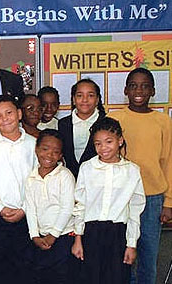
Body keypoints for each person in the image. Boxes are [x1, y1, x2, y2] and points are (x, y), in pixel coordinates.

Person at [108, 68, 172, 284]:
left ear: (153, 91)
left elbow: (168, 161)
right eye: (133, 85)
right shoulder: (115, 118)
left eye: (145, 86)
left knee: (148, 254)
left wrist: (169, 202)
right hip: (121, 199)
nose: (139, 90)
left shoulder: (163, 122)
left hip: (152, 199)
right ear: (126, 90)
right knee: (121, 256)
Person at [72, 117, 146, 284]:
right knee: (89, 278)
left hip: (118, 234)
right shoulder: (87, 168)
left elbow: (135, 210)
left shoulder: (132, 171)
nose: (103, 148)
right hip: (91, 233)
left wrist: (131, 244)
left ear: (120, 140)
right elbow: (80, 204)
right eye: (98, 143)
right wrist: (78, 238)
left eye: (108, 141)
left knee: (117, 278)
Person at [0, 95, 37, 284]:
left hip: (27, 218)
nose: (5, 119)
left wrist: (24, 209)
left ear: (19, 114)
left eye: (9, 113)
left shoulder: (33, 144)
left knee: (25, 269)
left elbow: (38, 181)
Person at [24, 129, 75, 284]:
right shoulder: (31, 178)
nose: (49, 155)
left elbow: (67, 208)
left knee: (62, 277)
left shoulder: (65, 176)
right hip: (41, 238)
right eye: (45, 149)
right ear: (36, 149)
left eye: (55, 152)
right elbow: (30, 208)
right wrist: (34, 235)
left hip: (63, 237)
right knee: (41, 276)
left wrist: (53, 235)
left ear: (60, 156)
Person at [58, 78, 106, 178]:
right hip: (69, 181)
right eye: (80, 95)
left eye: (90, 95)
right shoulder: (62, 124)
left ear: (97, 100)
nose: (85, 100)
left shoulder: (106, 124)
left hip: (99, 180)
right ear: (73, 99)